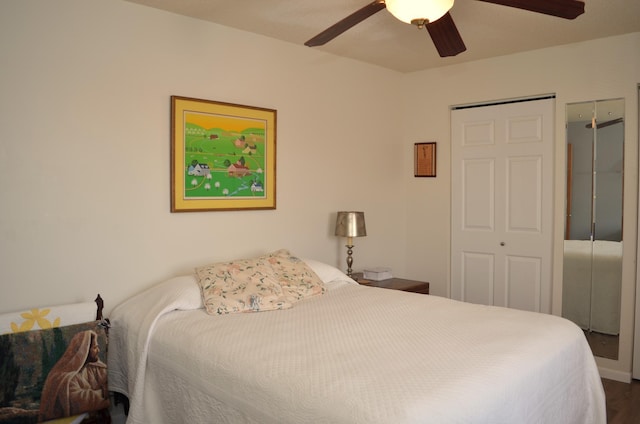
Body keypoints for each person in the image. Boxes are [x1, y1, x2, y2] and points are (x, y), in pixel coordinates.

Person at [38, 330, 109, 421]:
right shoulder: (64, 379)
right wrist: (104, 391)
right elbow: (82, 401)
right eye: (95, 348)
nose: (98, 351)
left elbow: (109, 380)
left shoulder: (94, 368)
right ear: (85, 350)